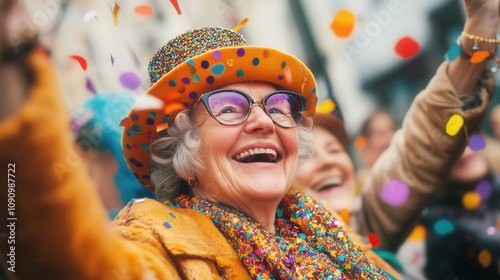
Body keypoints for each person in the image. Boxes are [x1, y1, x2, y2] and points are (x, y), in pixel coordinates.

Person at [0, 1, 498, 280]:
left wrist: (479, 34)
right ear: (181, 150)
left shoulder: (337, 229)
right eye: (231, 107)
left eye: (279, 106)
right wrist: (12, 60)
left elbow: (419, 153)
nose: (265, 122)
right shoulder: (158, 247)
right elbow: (63, 258)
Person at [294, 0, 499, 263]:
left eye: (334, 149)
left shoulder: (368, 226)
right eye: (304, 157)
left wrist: (480, 26)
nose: (328, 161)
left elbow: (427, 130)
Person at [422, 146, 500, 279]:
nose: (466, 151)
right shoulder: (440, 217)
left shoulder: (495, 186)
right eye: (452, 148)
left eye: (469, 138)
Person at [356, 110, 397, 188]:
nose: (389, 139)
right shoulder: (362, 183)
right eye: (380, 133)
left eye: (392, 130)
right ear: (366, 143)